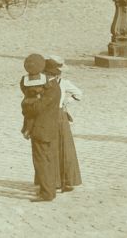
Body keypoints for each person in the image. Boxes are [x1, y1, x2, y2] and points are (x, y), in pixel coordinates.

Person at [20, 52, 61, 202]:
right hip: (50, 128)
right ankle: (49, 189)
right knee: (48, 159)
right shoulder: (53, 87)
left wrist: (27, 104)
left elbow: (36, 108)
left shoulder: (49, 89)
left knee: (41, 161)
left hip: (41, 130)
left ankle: (47, 193)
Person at [45, 56, 82, 193]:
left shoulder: (43, 83)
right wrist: (67, 101)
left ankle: (53, 181)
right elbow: (78, 94)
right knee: (64, 148)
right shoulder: (64, 83)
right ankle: (66, 181)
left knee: (50, 148)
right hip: (60, 116)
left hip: (48, 117)